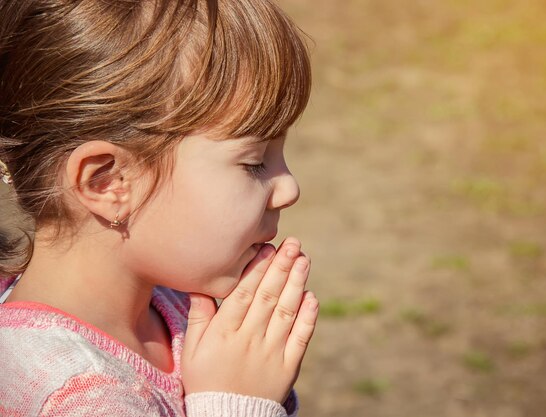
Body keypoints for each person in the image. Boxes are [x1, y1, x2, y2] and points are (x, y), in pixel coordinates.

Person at [0, 0, 318, 416]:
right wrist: (238, 404)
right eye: (254, 162)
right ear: (107, 181)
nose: (288, 188)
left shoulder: (171, 301)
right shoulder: (72, 397)